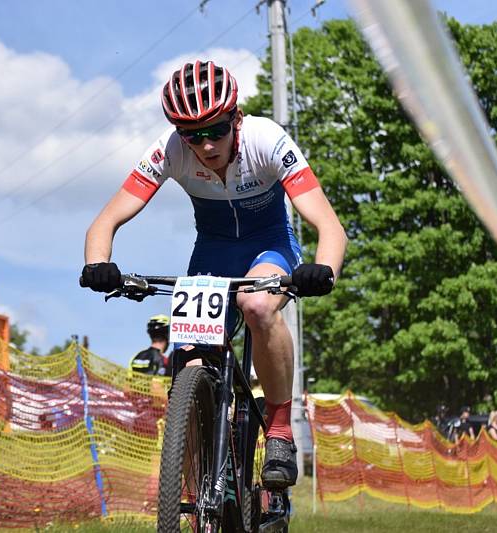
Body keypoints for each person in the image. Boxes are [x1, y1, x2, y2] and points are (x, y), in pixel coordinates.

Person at [81, 60, 347, 489]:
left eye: (216, 130)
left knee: (257, 305)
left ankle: (279, 430)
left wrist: (324, 270)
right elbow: (105, 222)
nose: (205, 145)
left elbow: (330, 226)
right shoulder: (169, 149)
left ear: (236, 118)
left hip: (269, 246)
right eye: (192, 135)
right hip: (213, 252)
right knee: (189, 359)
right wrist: (98, 265)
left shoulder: (267, 140)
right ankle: (202, 464)